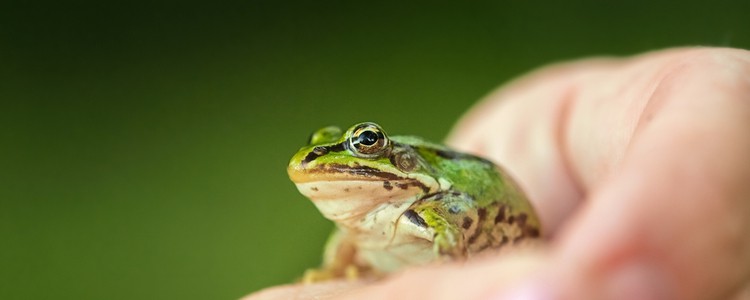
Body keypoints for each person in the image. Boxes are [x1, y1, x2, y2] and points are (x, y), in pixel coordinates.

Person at [247, 47, 750, 300]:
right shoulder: (355, 228)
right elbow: (348, 249)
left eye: (366, 145)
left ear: (398, 159)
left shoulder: (429, 206)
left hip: (532, 240)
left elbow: (452, 251)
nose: (323, 163)